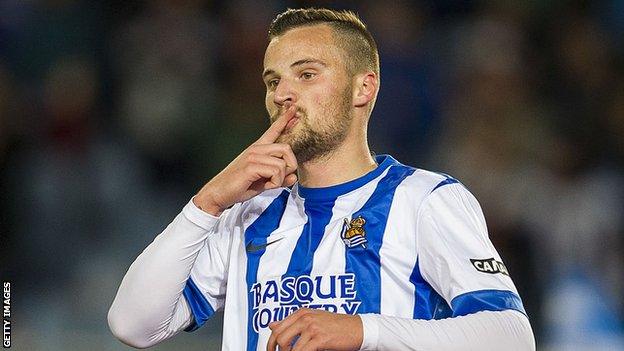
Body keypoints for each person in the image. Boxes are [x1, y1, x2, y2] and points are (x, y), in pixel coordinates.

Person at [108, 8, 535, 351]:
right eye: (272, 81)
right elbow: (133, 325)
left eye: (306, 74)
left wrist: (362, 331)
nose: (281, 94)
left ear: (362, 89)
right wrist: (206, 204)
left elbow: (511, 336)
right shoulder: (247, 214)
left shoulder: (424, 199)